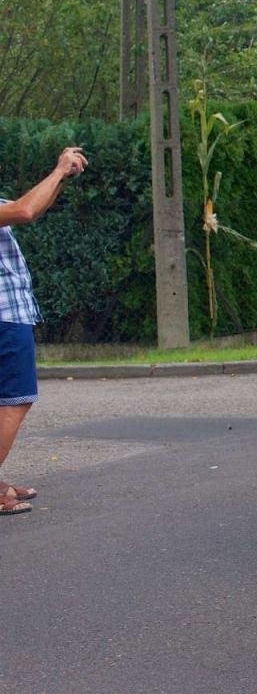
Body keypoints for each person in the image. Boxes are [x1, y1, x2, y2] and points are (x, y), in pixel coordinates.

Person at [0, 146, 87, 516]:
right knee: (15, 400)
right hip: (4, 316)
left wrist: (62, 177)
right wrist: (57, 170)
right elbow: (25, 210)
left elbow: (31, 204)